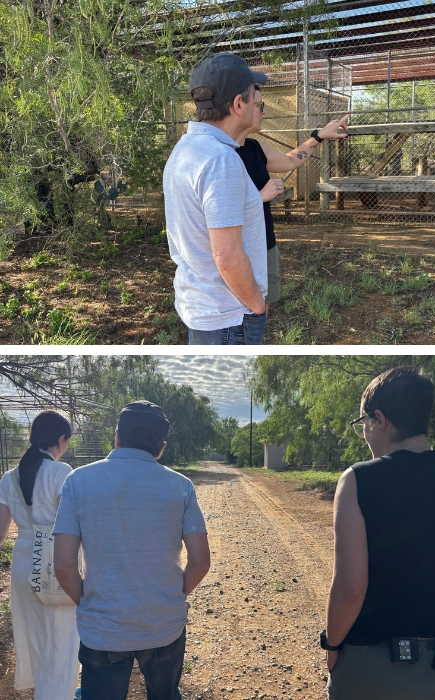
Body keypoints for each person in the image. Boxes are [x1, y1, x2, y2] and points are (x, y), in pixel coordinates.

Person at [323, 368, 435, 699]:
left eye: (363, 425)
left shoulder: (358, 480)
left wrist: (331, 647)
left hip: (369, 672)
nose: (365, 434)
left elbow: (351, 589)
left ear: (379, 419)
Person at [53, 401, 211, 700]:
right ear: (161, 448)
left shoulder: (78, 481)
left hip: (103, 629)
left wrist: (88, 603)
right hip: (164, 625)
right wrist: (173, 595)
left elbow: (63, 565)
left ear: (117, 436)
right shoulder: (181, 486)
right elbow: (201, 561)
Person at [163, 52, 270, 345]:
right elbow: (226, 256)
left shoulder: (186, 149)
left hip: (204, 309)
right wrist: (257, 305)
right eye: (255, 100)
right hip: (230, 315)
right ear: (238, 104)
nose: (259, 107)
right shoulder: (221, 160)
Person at [235, 85, 349, 312]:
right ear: (238, 106)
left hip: (264, 242)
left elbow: (289, 160)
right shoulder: (217, 155)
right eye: (259, 106)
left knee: (261, 311)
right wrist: (259, 197)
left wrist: (318, 136)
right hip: (236, 248)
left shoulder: (254, 147)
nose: (263, 112)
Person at [0, 411, 79, 700]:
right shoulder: (62, 473)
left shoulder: (9, 477)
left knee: (34, 637)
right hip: (57, 563)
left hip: (23, 564)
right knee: (62, 643)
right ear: (60, 440)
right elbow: (76, 523)